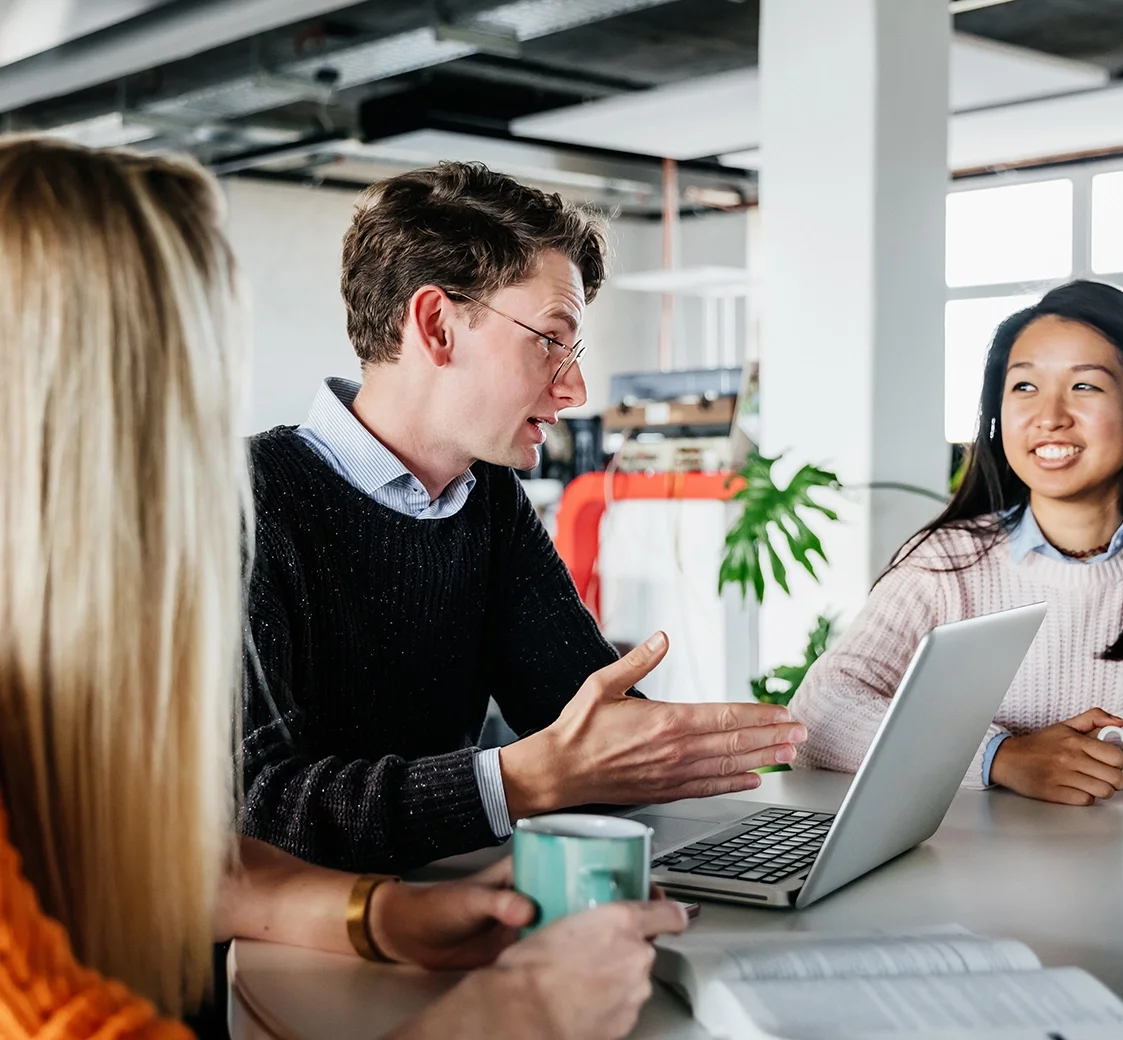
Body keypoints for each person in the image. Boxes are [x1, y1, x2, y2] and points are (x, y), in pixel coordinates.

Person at [0, 135, 685, 1040]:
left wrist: (376, 915)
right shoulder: (246, 503)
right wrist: (514, 1012)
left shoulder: (57, 659)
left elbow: (165, 864)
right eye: (186, 383)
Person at [242, 161, 806, 871]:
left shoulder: (488, 500)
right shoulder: (241, 501)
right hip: (283, 954)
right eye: (549, 340)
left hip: (445, 911)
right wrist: (521, 780)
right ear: (437, 325)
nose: (575, 388)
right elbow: (251, 809)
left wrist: (707, 744)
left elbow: (578, 714)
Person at [791, 280, 1123, 805]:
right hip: (974, 871)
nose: (1049, 416)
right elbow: (820, 710)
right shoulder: (948, 561)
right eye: (1025, 387)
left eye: (1085, 387)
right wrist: (1000, 756)